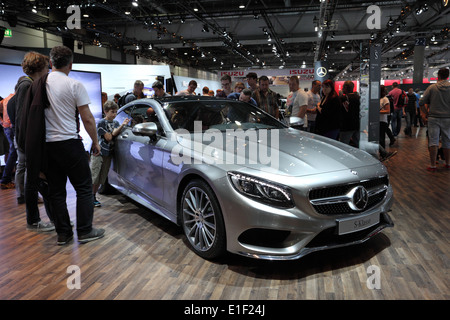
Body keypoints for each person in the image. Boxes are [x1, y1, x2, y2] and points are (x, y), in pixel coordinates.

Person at [44, 45, 104, 245]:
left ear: (51, 62)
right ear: (70, 63)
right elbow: (87, 119)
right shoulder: (74, 85)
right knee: (84, 188)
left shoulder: (40, 84)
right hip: (70, 144)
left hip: (47, 146)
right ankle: (85, 231)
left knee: (56, 191)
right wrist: (95, 142)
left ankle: (63, 234)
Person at [15, 51, 55, 231]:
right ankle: (34, 220)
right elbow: (23, 118)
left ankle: (54, 218)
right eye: (47, 66)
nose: (48, 70)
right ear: (40, 67)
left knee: (36, 181)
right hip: (27, 142)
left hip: (27, 141)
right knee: (33, 181)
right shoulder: (27, 85)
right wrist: (26, 144)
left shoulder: (29, 84)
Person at [91, 101, 129, 207]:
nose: (114, 114)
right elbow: (109, 137)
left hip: (108, 153)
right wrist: (121, 126)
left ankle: (93, 196)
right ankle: (89, 196)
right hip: (99, 152)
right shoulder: (101, 123)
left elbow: (115, 134)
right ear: (105, 112)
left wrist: (120, 127)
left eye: (116, 112)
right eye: (112, 112)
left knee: (101, 177)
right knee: (95, 176)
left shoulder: (116, 123)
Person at [419, 68, 450, 171]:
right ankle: (448, 163)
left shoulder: (432, 87)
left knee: (433, 141)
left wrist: (426, 113)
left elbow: (421, 102)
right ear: (448, 76)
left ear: (438, 76)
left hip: (433, 118)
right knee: (447, 141)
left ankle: (433, 165)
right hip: (448, 118)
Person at [0, 92, 16, 190]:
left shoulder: (6, 98)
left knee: (12, 152)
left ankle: (6, 178)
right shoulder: (11, 98)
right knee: (13, 152)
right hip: (10, 127)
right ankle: (5, 179)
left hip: (7, 127)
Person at [339, 81, 360, 147]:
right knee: (358, 143)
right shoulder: (358, 97)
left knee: (343, 146)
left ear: (345, 87)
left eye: (343, 87)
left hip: (346, 126)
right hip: (356, 125)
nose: (342, 89)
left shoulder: (344, 98)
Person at [379, 85, 397, 160]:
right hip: (376, 121)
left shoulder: (385, 99)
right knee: (378, 139)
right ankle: (383, 154)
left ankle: (383, 154)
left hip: (382, 121)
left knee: (381, 139)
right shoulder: (377, 99)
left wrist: (377, 111)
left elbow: (388, 111)